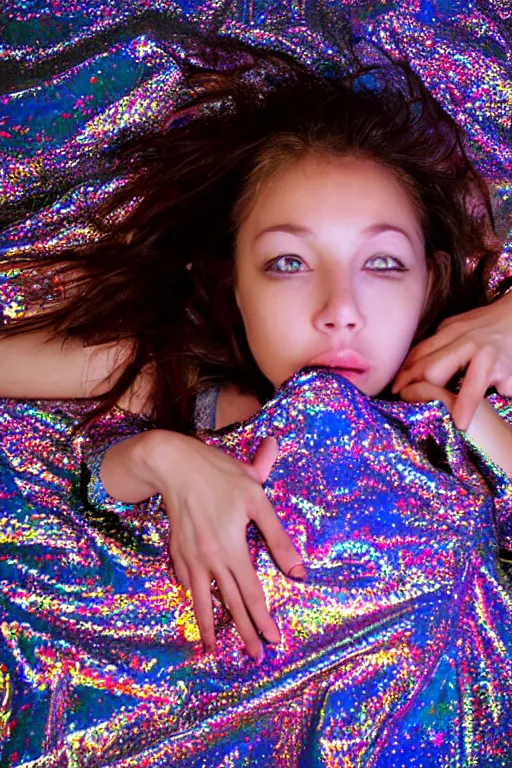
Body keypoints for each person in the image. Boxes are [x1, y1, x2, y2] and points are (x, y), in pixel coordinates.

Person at [0, 40, 511, 765]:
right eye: (288, 263)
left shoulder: (461, 414)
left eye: (383, 263)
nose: (340, 310)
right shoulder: (187, 391)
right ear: (233, 287)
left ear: (428, 284)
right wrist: (159, 457)